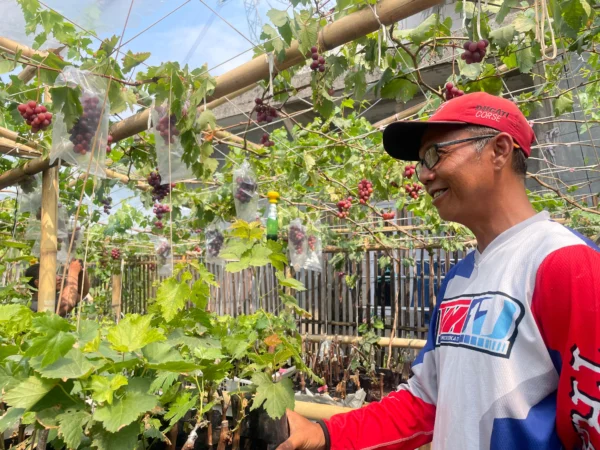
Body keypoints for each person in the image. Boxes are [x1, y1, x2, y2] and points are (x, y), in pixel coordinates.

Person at [277, 92, 600, 450]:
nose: (426, 175)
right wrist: (325, 434)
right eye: (421, 163)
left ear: (499, 150)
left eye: (436, 155)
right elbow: (426, 401)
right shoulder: (459, 278)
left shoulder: (566, 263)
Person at [25, 259, 90, 316]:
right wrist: (73, 271)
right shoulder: (36, 306)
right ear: (38, 283)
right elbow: (66, 304)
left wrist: (81, 269)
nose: (59, 278)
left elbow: (81, 292)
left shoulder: (55, 298)